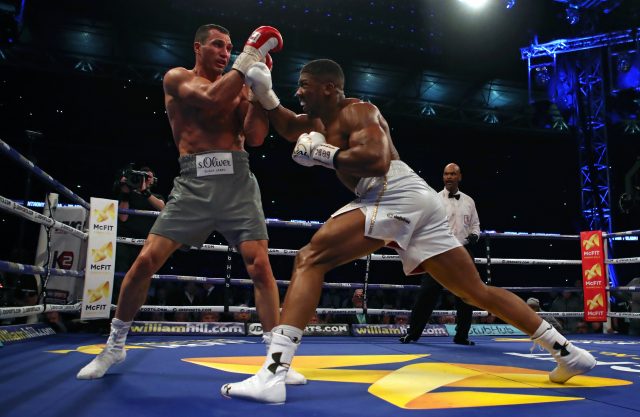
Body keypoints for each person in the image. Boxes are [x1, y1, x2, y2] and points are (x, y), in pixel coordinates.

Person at [220, 58, 596, 403]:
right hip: (415, 201)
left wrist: (323, 155)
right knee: (474, 293)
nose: (298, 91)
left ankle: (273, 374)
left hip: (393, 190)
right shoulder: (317, 121)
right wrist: (263, 92)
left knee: (309, 258)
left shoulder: (359, 111)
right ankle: (567, 352)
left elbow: (378, 161)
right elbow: (287, 126)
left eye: (304, 85)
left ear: (329, 88)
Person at [77, 23, 305, 385]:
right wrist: (248, 58)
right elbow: (212, 98)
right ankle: (115, 344)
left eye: (230, 47)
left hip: (238, 182)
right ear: (197, 47)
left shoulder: (240, 84)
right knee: (145, 261)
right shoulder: (177, 78)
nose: (225, 51)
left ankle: (276, 362)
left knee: (260, 266)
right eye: (217, 44)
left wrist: (262, 93)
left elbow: (257, 138)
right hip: (193, 182)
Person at [399, 162, 479, 346]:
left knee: (467, 295)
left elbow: (475, 224)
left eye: (452, 174)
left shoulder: (469, 201)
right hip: (439, 251)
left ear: (459, 177)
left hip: (463, 251)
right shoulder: (433, 199)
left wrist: (475, 234)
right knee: (427, 293)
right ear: (443, 177)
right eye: (446, 174)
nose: (449, 177)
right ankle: (412, 333)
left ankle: (462, 335)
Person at [114, 165, 165, 302]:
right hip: (125, 242)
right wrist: (125, 191)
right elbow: (123, 217)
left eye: (148, 177)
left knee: (142, 278)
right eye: (143, 176)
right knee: (122, 275)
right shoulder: (128, 194)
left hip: (146, 244)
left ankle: (136, 309)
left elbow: (163, 208)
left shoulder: (156, 197)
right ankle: (118, 308)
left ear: (153, 180)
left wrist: (145, 192)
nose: (145, 179)